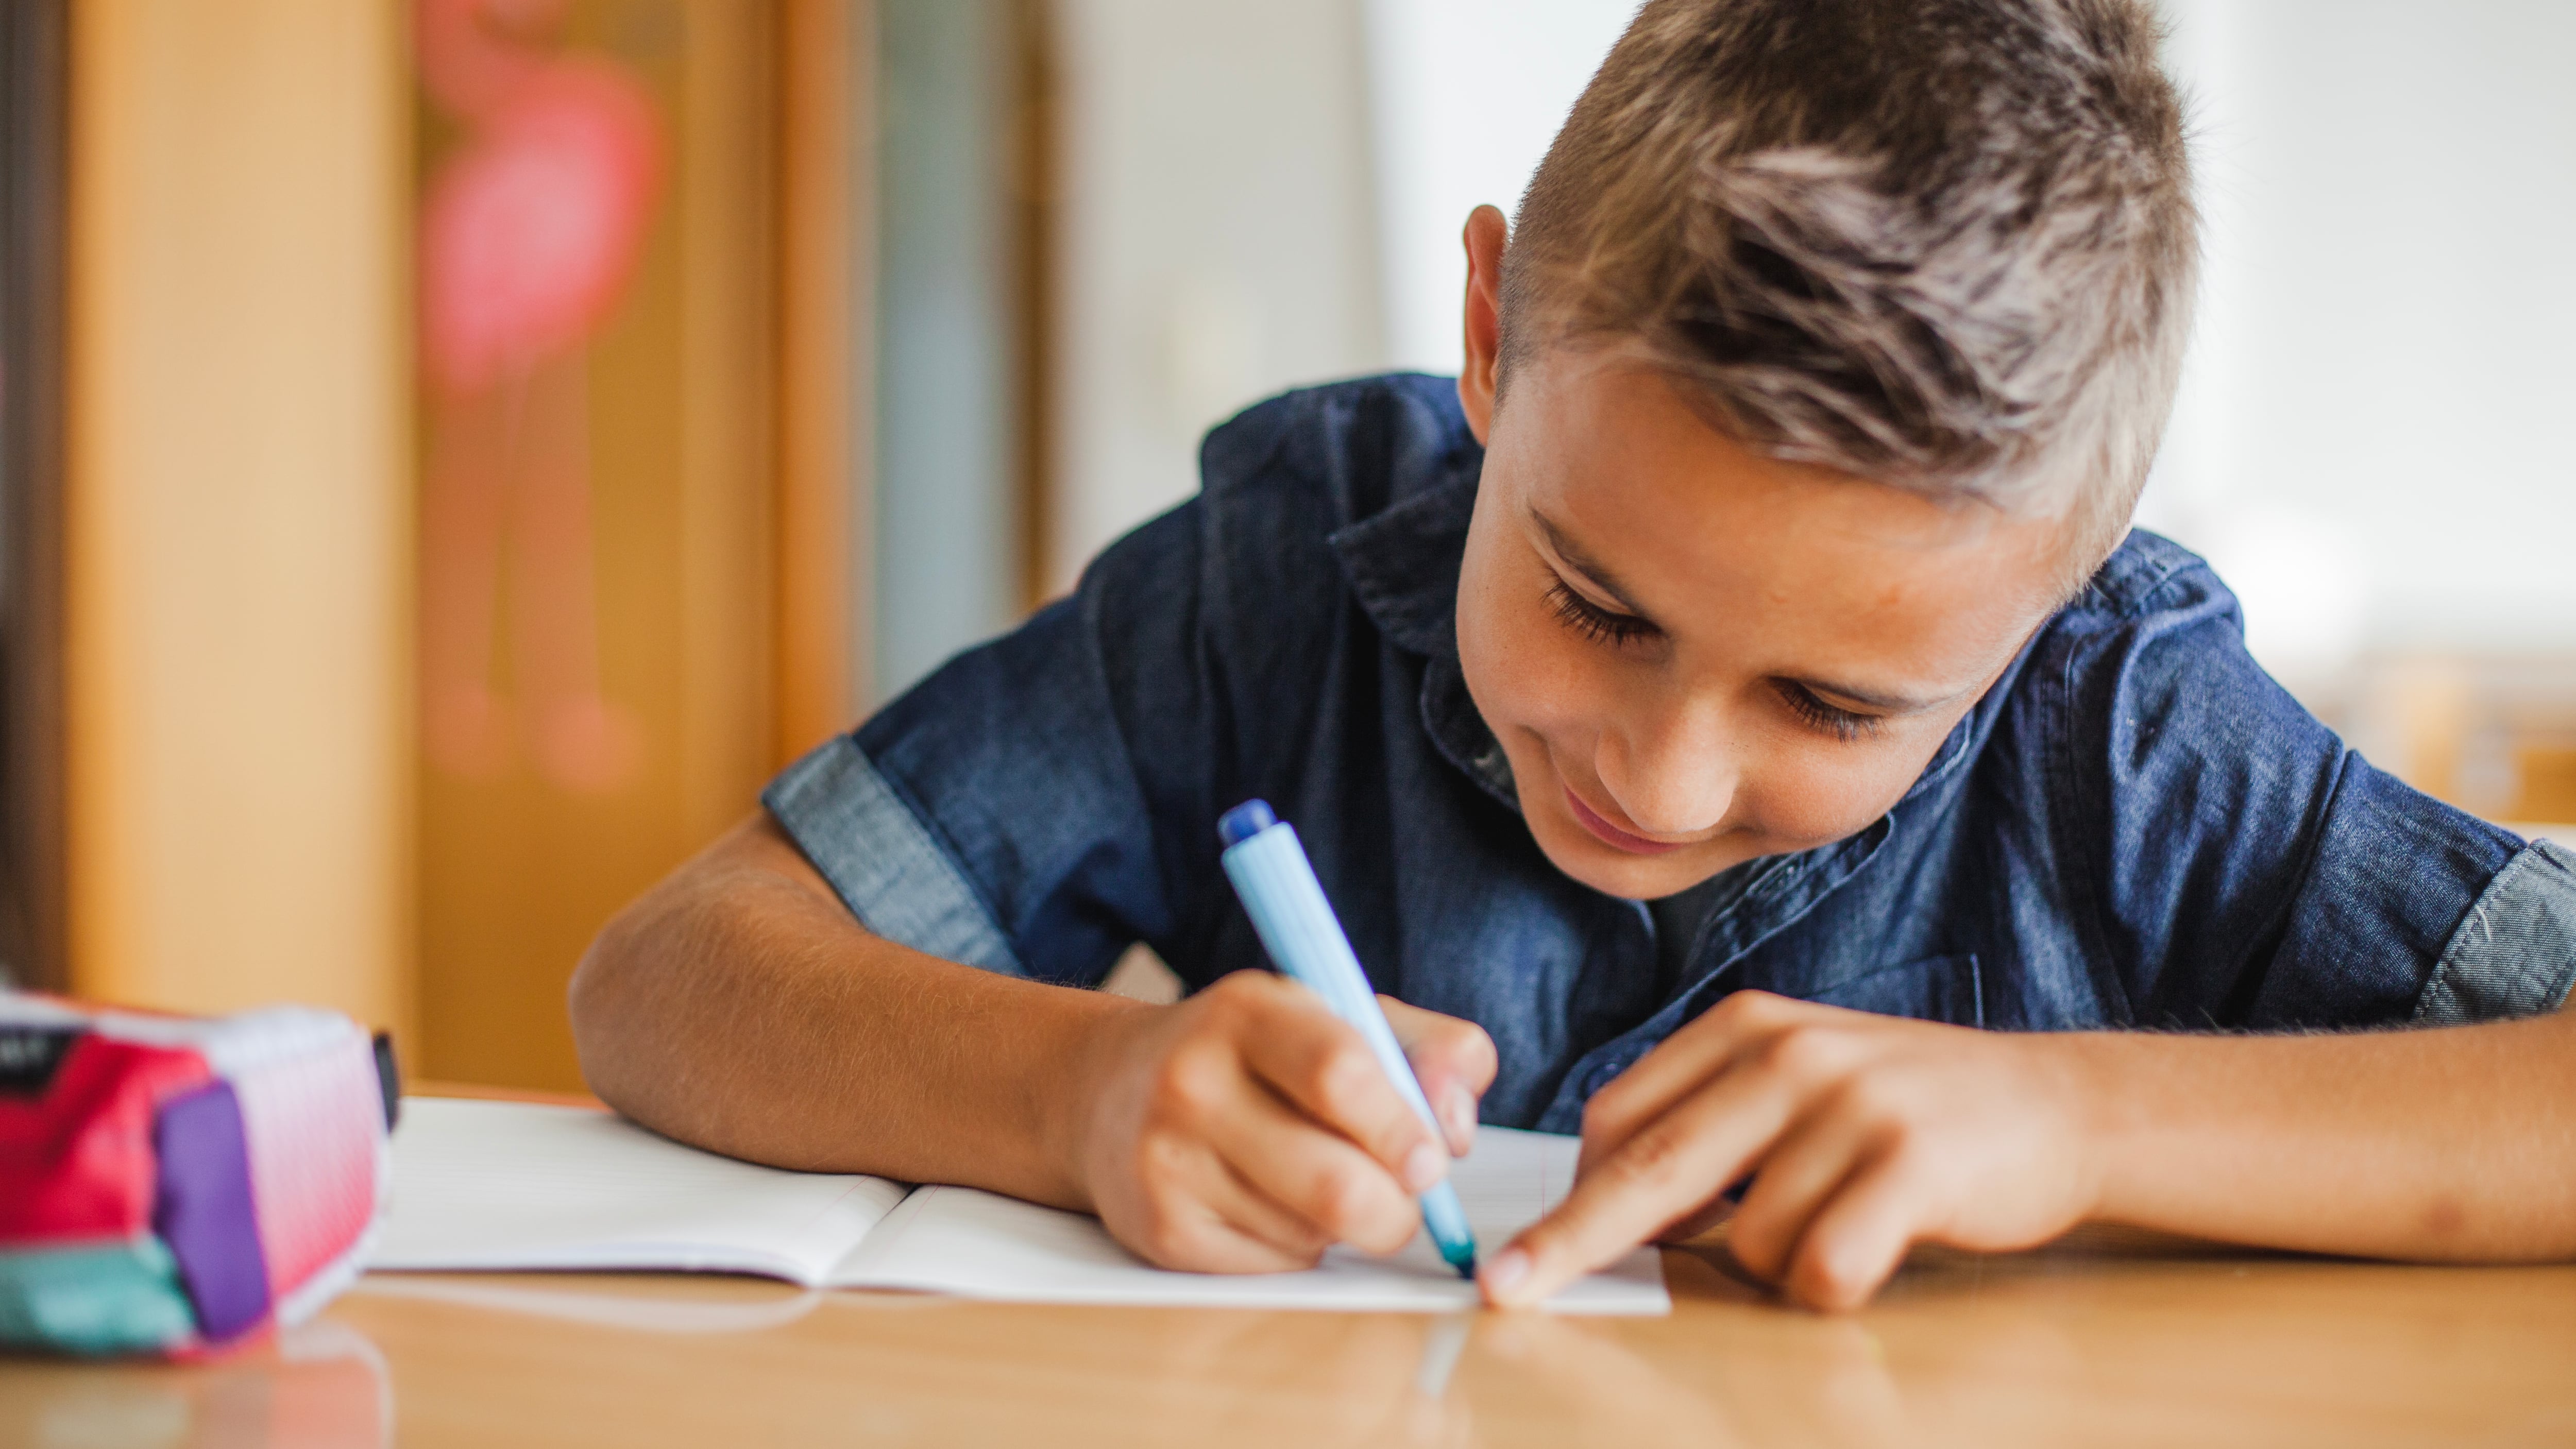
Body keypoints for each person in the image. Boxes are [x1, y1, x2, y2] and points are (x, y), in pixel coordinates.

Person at [568, 0, 2576, 1311]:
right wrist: (1080, 1090)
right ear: (1490, 334)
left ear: (2046, 597)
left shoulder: (2127, 734)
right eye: (1596, 604)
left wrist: (2077, 1122)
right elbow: (666, 976)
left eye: (1831, 702)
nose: (1657, 773)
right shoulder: (1268, 584)